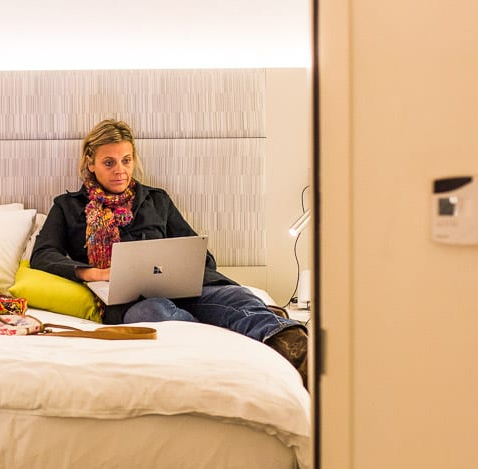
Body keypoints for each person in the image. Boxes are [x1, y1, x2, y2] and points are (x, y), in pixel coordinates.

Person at [30, 119, 308, 383]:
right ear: (90, 163)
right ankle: (223, 334)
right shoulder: (68, 207)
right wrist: (94, 273)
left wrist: (180, 264)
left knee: (237, 296)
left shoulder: (155, 199)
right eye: (109, 162)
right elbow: (43, 255)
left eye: (126, 161)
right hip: (129, 301)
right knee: (156, 311)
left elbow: (200, 254)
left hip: (184, 289)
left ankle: (298, 350)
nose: (120, 170)